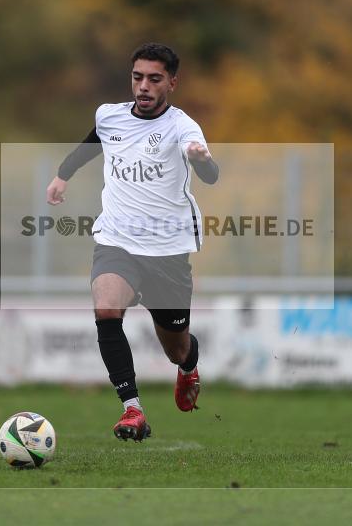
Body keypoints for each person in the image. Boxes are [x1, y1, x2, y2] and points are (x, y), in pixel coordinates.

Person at [46, 43, 219, 441]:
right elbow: (93, 141)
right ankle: (132, 410)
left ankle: (189, 366)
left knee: (175, 348)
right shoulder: (110, 116)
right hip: (117, 240)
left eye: (154, 79)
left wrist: (201, 158)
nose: (143, 86)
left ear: (172, 83)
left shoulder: (183, 128)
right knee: (106, 308)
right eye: (137, 77)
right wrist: (62, 175)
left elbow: (210, 176)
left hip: (167, 251)